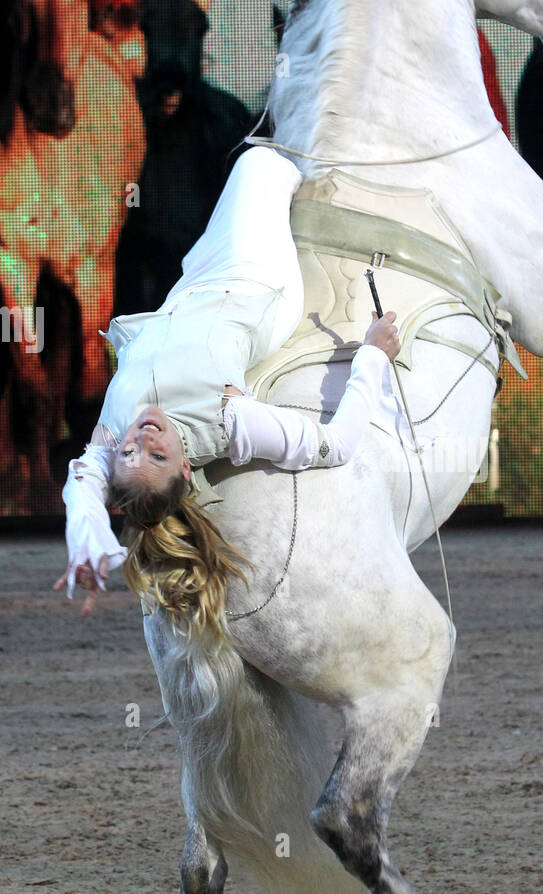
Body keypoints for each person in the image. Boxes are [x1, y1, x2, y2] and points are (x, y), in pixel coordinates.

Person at [54, 145, 401, 630]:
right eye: (158, 457)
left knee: (244, 166)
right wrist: (372, 355)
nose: (143, 443)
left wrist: (87, 545)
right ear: (187, 470)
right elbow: (335, 445)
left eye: (131, 456)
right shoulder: (226, 422)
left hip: (193, 282)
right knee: (259, 162)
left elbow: (82, 493)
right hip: (255, 283)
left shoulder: (108, 440)